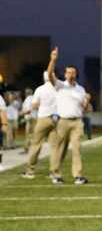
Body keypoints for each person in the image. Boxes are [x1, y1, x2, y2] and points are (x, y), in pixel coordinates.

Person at [47, 48, 91, 185]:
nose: (71, 74)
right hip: (63, 121)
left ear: (76, 74)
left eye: (73, 72)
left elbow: (84, 108)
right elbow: (50, 75)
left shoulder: (80, 89)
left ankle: (78, 175)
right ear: (65, 74)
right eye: (69, 72)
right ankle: (56, 174)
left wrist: (87, 101)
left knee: (77, 148)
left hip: (77, 122)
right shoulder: (60, 85)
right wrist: (53, 60)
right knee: (60, 149)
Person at [22, 62, 59, 179]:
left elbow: (34, 105)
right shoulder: (58, 88)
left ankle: (30, 171)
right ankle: (54, 172)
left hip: (43, 118)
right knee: (54, 147)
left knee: (36, 145)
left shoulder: (40, 89)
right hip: (56, 119)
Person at [21, 88, 34, 153]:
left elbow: (28, 110)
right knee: (32, 134)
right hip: (34, 118)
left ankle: (26, 149)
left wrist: (22, 113)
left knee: (28, 134)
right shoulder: (34, 98)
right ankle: (32, 149)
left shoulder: (28, 99)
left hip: (30, 118)